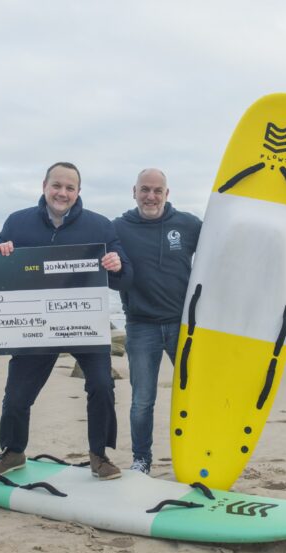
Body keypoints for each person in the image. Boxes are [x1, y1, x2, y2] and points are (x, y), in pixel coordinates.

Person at [0, 162, 133, 480]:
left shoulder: (100, 226)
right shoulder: (18, 222)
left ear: (78, 192)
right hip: (35, 326)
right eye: (57, 186)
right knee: (17, 394)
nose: (62, 193)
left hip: (83, 323)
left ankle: (99, 455)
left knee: (103, 386)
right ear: (44, 186)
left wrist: (116, 264)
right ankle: (13, 452)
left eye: (70, 188)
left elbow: (125, 277)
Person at [112, 168, 202, 475]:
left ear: (167, 193)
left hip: (184, 325)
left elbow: (227, 250)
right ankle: (141, 459)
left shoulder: (188, 225)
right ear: (133, 191)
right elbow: (87, 257)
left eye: (157, 191)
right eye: (144, 190)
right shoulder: (118, 228)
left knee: (197, 393)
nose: (150, 196)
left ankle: (201, 454)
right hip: (141, 326)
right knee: (142, 400)